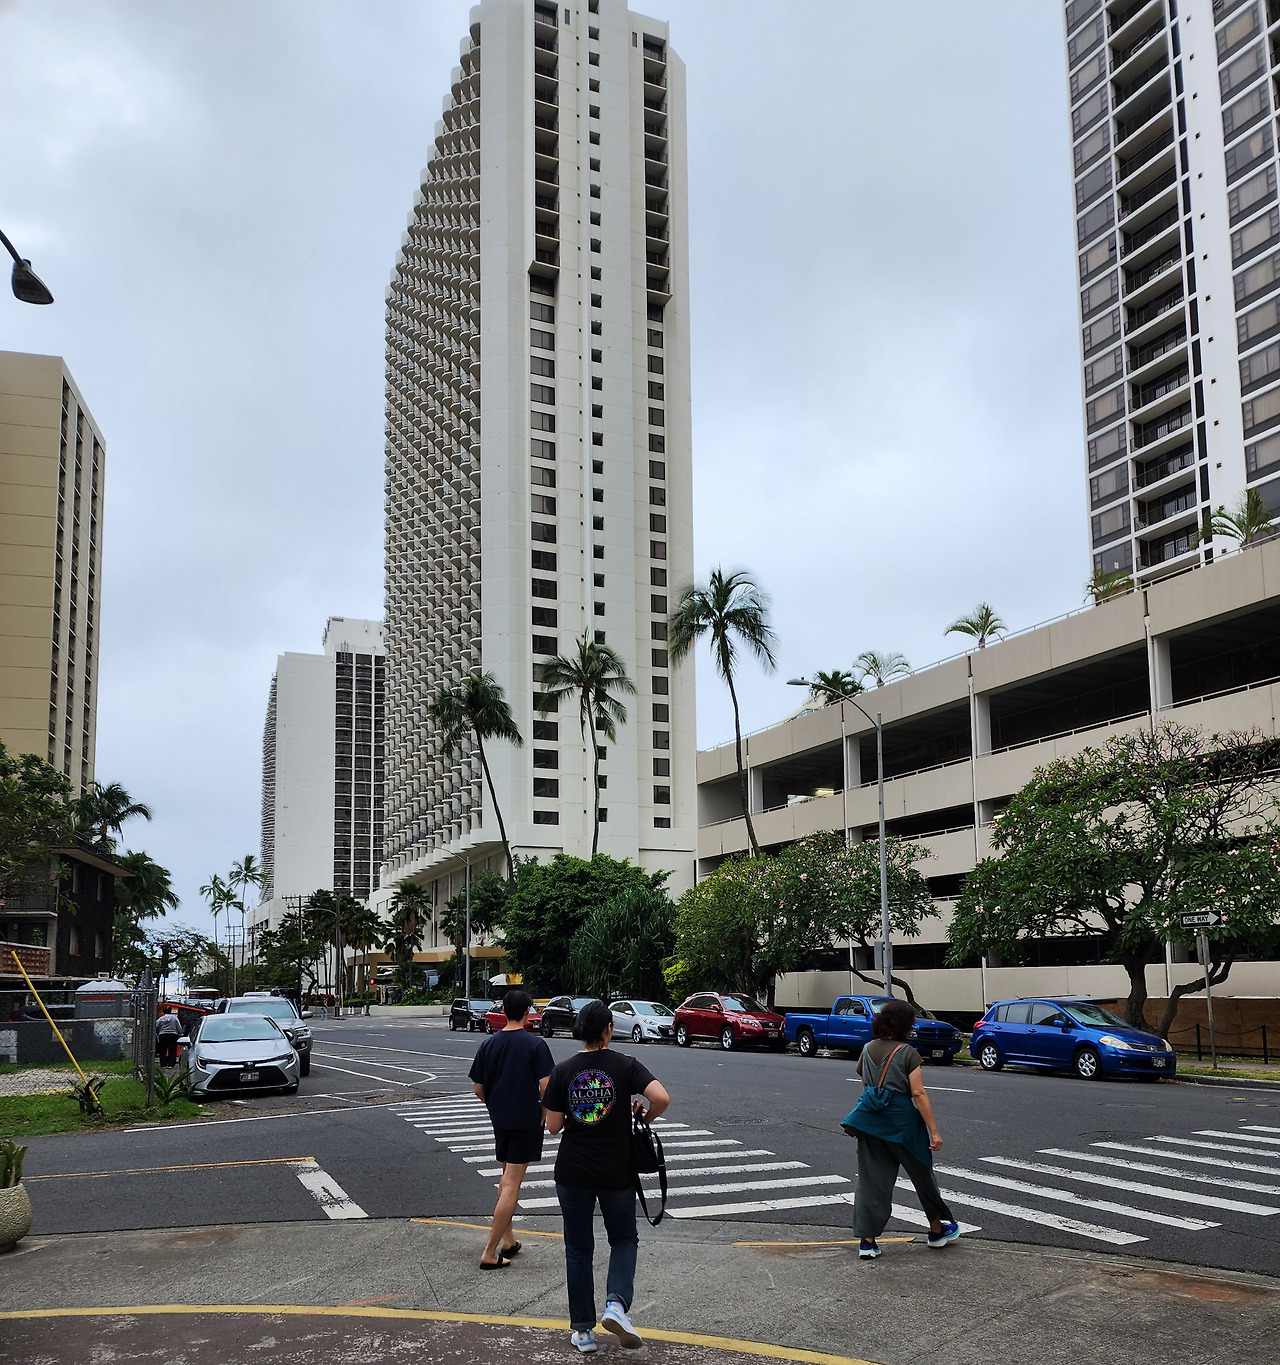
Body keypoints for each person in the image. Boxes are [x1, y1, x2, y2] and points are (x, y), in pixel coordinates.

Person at [542, 998, 670, 1355]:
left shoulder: (564, 1070)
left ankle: (583, 1332)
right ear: (609, 1029)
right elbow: (661, 1097)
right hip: (616, 1171)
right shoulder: (625, 1065)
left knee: (578, 1249)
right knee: (624, 1239)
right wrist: (643, 1116)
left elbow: (553, 1126)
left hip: (573, 1171)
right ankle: (615, 1305)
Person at [845, 998, 959, 1259]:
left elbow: (866, 1085)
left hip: (871, 1122)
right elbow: (918, 1093)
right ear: (905, 1025)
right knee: (922, 1174)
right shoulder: (907, 1053)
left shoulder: (866, 1049)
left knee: (871, 1180)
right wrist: (934, 1131)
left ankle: (867, 1241)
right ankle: (937, 1230)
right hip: (903, 1124)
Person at [468, 988, 554, 1269]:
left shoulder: (488, 1044)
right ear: (528, 1012)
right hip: (526, 1120)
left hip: (501, 1119)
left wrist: (495, 1105)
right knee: (512, 1183)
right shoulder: (535, 1045)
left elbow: (478, 1088)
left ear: (503, 1011)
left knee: (506, 1178)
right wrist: (543, 1114)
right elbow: (547, 1087)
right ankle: (490, 1251)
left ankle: (508, 1240)